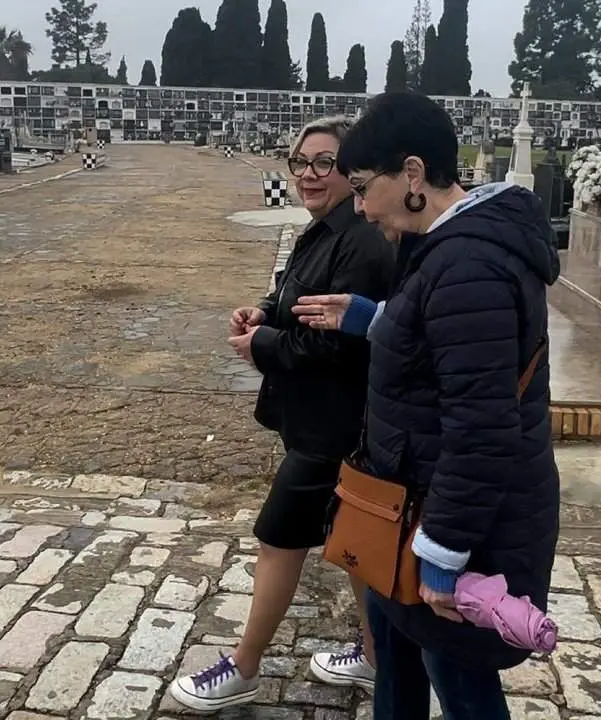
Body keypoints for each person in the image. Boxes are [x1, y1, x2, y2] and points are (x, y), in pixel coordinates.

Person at [290, 92, 562, 720]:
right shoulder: (446, 245)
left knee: (460, 684)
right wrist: (374, 319)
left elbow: (482, 426)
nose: (358, 206)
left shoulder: (471, 263)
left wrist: (443, 550)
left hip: (454, 522)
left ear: (412, 175)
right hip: (408, 509)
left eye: (362, 187)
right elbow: (445, 348)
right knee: (397, 660)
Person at [168, 116, 396, 712]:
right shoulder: (325, 229)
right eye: (301, 162)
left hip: (335, 425)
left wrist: (261, 347)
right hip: (321, 419)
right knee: (351, 542)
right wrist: (264, 313)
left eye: (325, 163)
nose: (308, 175)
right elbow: (296, 298)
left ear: (352, 172)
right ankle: (376, 657)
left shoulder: (362, 240)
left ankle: (243, 667)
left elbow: (341, 344)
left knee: (278, 540)